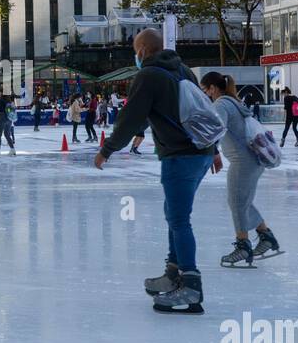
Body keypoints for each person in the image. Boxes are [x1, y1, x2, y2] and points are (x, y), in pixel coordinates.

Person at [96, 29, 221, 315]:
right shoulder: (184, 70)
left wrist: (107, 149)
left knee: (179, 219)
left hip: (180, 156)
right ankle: (173, 273)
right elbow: (201, 111)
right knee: (174, 215)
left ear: (142, 51)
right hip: (199, 154)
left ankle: (190, 286)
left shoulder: (148, 76)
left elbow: (130, 120)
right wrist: (213, 150)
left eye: (135, 49)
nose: (135, 55)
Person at [201, 73, 280, 268]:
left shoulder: (221, 104)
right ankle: (265, 236)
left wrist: (211, 152)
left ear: (212, 88)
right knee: (240, 201)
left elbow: (215, 128)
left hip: (243, 161)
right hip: (253, 160)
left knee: (237, 202)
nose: (205, 94)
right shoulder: (234, 101)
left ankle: (243, 245)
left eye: (205, 90)